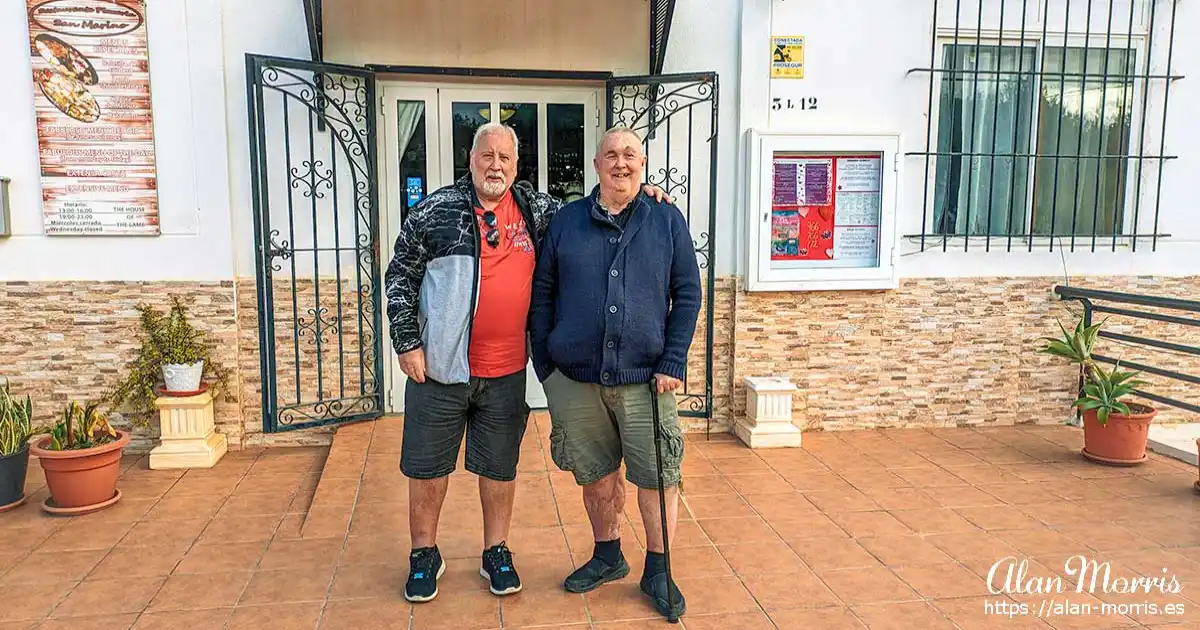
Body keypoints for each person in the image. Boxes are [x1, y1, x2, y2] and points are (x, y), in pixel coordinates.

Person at [383, 121, 671, 603]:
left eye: (505, 158)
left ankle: (495, 550)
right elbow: (399, 276)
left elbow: (599, 209)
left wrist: (640, 194)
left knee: (499, 468)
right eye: (486, 155)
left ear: (517, 166)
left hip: (506, 370)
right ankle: (424, 553)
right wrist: (407, 341)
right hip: (440, 368)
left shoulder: (540, 211)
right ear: (470, 159)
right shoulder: (435, 211)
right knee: (428, 467)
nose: (495, 165)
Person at [529, 125, 702, 620]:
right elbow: (543, 294)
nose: (620, 162)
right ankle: (607, 555)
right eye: (611, 155)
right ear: (596, 165)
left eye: (630, 154)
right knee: (596, 475)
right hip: (576, 380)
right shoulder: (566, 222)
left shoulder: (666, 218)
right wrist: (546, 366)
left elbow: (687, 293)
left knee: (657, 476)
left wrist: (673, 359)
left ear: (643, 165)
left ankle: (658, 568)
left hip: (647, 380)